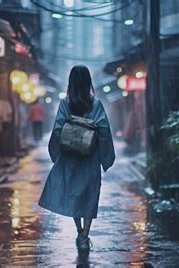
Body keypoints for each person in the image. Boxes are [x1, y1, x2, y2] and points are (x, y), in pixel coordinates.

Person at [38, 65, 115, 251]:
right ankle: (85, 236)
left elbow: (58, 129)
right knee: (90, 195)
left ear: (71, 82)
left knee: (74, 194)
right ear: (88, 81)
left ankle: (79, 230)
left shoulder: (66, 103)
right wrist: (106, 157)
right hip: (91, 157)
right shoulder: (96, 103)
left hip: (70, 156)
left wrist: (57, 154)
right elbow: (103, 129)